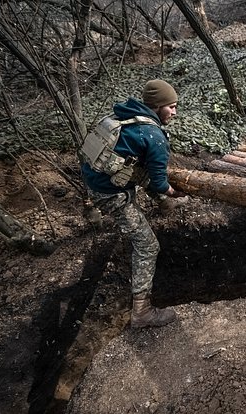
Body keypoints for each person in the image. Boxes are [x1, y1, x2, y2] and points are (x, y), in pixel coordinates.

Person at [81, 79, 186, 328]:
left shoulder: (123, 116)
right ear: (157, 106)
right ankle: (142, 312)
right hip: (110, 193)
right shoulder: (154, 135)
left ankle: (162, 205)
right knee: (148, 246)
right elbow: (160, 181)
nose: (174, 112)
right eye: (171, 107)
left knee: (139, 168)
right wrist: (171, 192)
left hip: (94, 178)